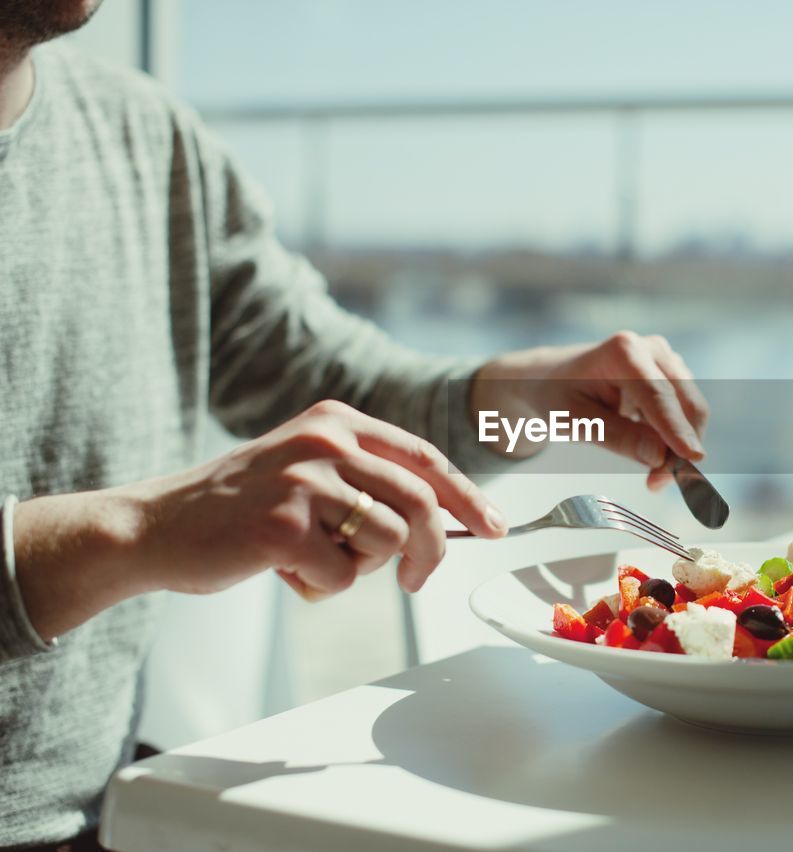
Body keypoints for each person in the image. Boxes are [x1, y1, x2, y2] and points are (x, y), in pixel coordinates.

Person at [0, 2, 709, 848]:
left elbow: (323, 377)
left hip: (110, 813)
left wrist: (504, 396)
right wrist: (144, 530)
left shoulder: (142, 135)